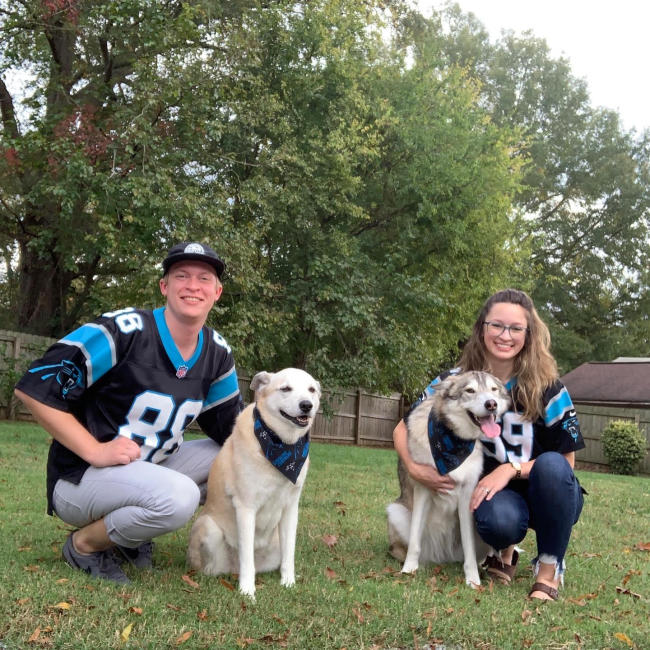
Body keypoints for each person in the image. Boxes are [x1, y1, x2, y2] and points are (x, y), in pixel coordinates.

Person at [15, 242, 242, 584]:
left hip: (145, 469)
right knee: (181, 497)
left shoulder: (217, 352)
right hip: (82, 476)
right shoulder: (124, 330)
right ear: (164, 286)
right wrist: (96, 449)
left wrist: (290, 453)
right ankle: (84, 546)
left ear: (217, 292)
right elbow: (34, 387)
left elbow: (232, 428)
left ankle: (128, 538)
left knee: (237, 458)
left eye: (203, 278)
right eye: (181, 276)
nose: (192, 286)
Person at [393, 288, 585, 601]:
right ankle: (504, 552)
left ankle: (549, 571)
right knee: (496, 517)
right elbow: (402, 428)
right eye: (496, 325)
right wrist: (415, 469)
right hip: (493, 497)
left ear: (529, 334)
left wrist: (510, 469)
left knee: (551, 465)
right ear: (482, 328)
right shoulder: (454, 380)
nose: (504, 335)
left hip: (549, 492)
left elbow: (566, 464)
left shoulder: (549, 388)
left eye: (515, 328)